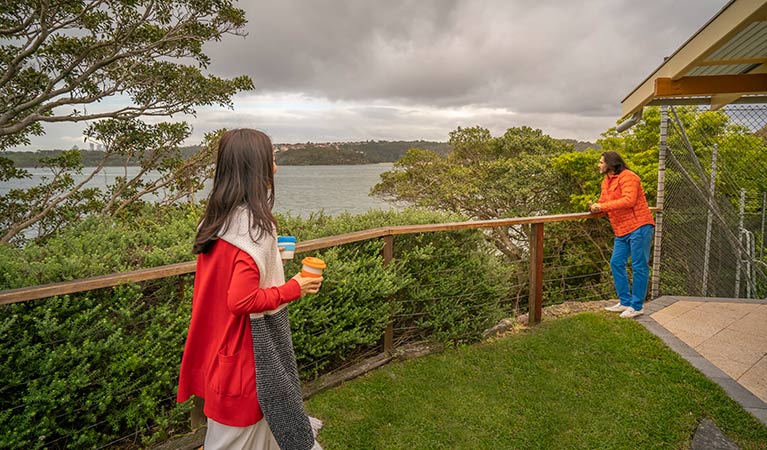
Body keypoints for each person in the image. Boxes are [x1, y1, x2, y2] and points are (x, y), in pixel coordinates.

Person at [177, 129, 324, 450]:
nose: (275, 167)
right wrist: (294, 286)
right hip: (248, 360)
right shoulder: (253, 229)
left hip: (219, 351)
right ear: (255, 167)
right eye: (271, 159)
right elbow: (241, 299)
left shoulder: (216, 222)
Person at [589, 151, 655, 318]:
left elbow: (629, 200)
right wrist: (596, 207)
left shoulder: (629, 177)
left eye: (601, 162)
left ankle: (637, 305)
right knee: (616, 263)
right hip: (621, 230)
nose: (599, 165)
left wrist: (603, 207)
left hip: (639, 226)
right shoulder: (606, 181)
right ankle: (625, 301)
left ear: (610, 164)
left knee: (639, 266)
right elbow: (604, 202)